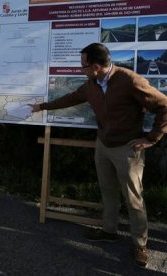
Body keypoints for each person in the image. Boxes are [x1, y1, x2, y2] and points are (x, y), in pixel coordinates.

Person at [31, 43, 167, 267]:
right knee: (108, 190)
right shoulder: (92, 84)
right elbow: (72, 98)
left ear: (95, 66)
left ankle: (140, 244)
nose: (81, 69)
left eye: (83, 66)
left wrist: (152, 138)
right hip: (103, 145)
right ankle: (110, 231)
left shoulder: (129, 81)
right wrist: (42, 107)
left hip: (127, 149)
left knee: (133, 198)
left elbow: (164, 105)